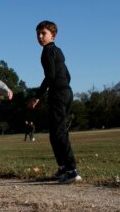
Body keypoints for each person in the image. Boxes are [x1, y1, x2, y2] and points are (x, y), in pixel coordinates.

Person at [27, 20, 81, 184]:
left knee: (59, 133)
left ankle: (72, 170)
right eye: (38, 34)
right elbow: (67, 74)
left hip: (58, 93)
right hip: (66, 92)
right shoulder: (57, 51)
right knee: (55, 133)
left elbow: (50, 76)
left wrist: (37, 96)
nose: (40, 37)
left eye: (43, 33)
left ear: (53, 35)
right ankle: (63, 167)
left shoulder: (47, 51)